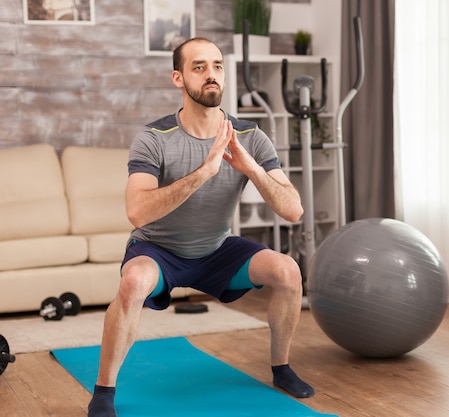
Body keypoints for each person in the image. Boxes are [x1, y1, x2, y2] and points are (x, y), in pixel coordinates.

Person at [87, 37, 314, 417]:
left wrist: (252, 169)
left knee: (288, 271)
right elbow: (137, 212)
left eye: (217, 66)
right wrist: (204, 172)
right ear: (178, 78)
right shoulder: (153, 137)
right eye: (199, 67)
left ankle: (282, 368)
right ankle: (104, 391)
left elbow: (294, 210)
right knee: (132, 283)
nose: (211, 75)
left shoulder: (250, 137)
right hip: (158, 250)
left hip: (217, 249)